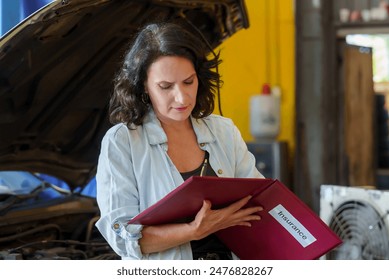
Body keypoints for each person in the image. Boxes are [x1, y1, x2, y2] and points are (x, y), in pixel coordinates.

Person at [95, 22, 264, 260]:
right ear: (143, 84)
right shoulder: (121, 143)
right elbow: (122, 238)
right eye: (165, 86)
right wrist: (193, 231)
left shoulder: (224, 131)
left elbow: (261, 203)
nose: (181, 97)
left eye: (188, 82)